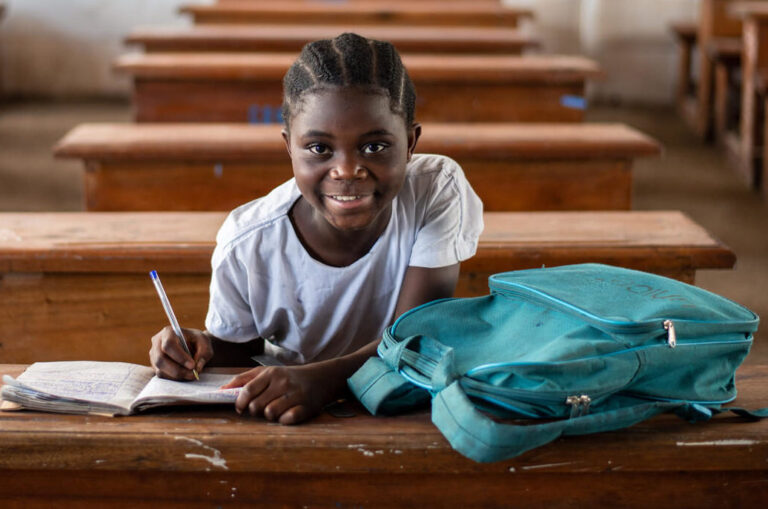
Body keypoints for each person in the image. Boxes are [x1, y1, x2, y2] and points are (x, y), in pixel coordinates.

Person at [149, 32, 484, 424]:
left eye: (374, 146)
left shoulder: (435, 188)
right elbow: (240, 350)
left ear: (410, 143)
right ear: (289, 146)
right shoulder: (247, 242)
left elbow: (413, 337)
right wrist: (200, 348)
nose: (346, 170)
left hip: (400, 404)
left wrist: (322, 382)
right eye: (319, 148)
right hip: (285, 408)